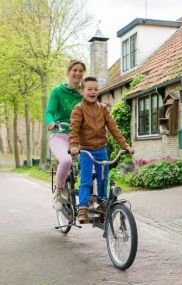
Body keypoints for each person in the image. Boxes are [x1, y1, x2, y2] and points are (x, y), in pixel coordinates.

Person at [69, 76, 134, 223]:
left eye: (95, 89)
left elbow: (113, 128)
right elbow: (73, 130)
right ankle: (83, 208)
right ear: (82, 91)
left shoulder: (103, 108)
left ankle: (103, 203)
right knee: (86, 180)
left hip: (101, 150)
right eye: (89, 89)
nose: (93, 92)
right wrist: (74, 146)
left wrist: (125, 145)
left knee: (103, 178)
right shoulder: (78, 109)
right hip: (86, 151)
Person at [45, 59, 86, 209]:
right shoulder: (57, 92)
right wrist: (51, 122)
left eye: (81, 70)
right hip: (60, 135)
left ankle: (92, 198)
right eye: (74, 70)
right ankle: (59, 191)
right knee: (66, 161)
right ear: (68, 72)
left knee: (91, 164)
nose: (77, 73)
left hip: (78, 137)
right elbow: (49, 112)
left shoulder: (83, 94)